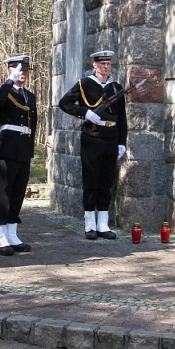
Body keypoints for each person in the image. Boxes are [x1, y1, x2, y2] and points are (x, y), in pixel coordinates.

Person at [57, 50, 128, 240]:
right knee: (91, 180)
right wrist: (84, 113)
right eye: (102, 64)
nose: (106, 67)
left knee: (106, 181)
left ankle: (103, 224)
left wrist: (122, 142)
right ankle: (90, 224)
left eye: (109, 64)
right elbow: (64, 103)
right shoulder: (85, 84)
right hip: (92, 137)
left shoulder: (116, 87)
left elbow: (122, 118)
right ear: (95, 65)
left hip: (111, 137)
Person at [0, 55, 36, 255]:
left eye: (26, 71)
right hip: (8, 147)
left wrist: (32, 153)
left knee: (18, 191)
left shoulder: (30, 96)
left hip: (24, 147)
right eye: (19, 70)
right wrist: (10, 81)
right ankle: (0, 237)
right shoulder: (3, 91)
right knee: (5, 192)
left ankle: (12, 234)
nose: (23, 74)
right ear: (9, 70)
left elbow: (32, 125)